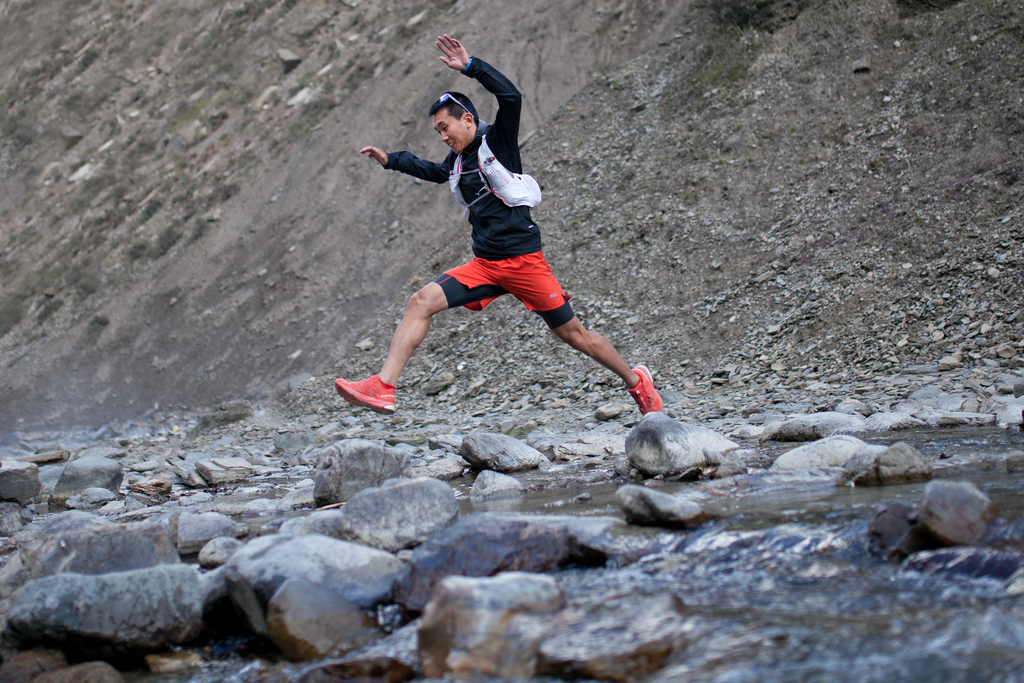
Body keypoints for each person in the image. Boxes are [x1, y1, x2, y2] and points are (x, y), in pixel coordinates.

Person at [336, 34, 662, 417]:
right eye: (438, 132)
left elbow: (511, 98)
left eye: (446, 128)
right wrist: (391, 159)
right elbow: (433, 171)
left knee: (576, 336)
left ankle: (636, 382)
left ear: (468, 119)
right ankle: (384, 386)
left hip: (524, 263)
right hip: (486, 265)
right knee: (420, 300)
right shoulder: (457, 162)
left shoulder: (499, 142)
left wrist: (471, 66)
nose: (443, 136)